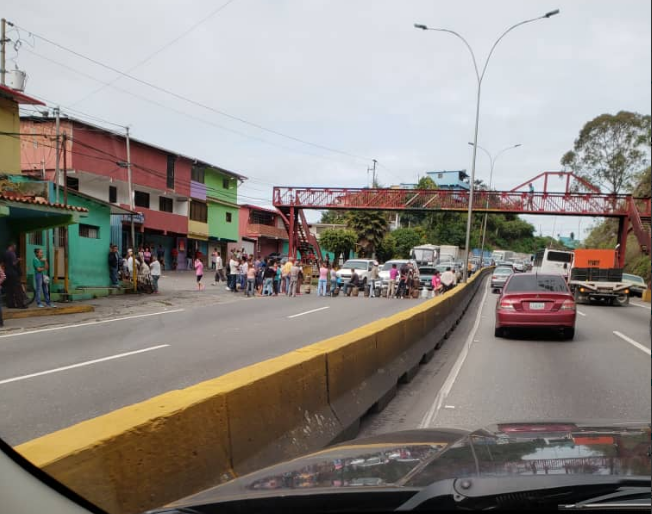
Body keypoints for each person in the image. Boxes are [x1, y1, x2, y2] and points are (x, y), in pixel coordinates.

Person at [2, 243, 25, 309]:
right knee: (18, 289)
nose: (15, 248)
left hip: (7, 273)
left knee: (9, 290)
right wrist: (18, 260)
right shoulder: (12, 253)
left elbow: (3, 263)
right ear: (11, 246)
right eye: (14, 246)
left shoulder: (4, 253)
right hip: (13, 273)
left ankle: (10, 304)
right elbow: (13, 263)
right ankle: (20, 305)